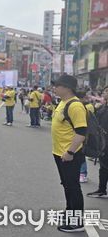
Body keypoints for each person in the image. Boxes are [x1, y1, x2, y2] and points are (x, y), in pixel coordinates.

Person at [51, 74, 87, 233]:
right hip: (60, 152)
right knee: (66, 184)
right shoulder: (63, 103)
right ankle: (69, 211)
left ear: (67, 88)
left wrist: (70, 151)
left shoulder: (75, 106)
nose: (55, 88)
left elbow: (81, 132)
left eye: (57, 85)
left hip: (70, 154)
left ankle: (77, 222)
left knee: (73, 186)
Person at [87, 86, 108, 198]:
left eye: (107, 91)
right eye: (105, 91)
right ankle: (101, 189)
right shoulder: (102, 108)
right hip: (103, 143)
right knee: (103, 167)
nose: (105, 93)